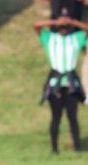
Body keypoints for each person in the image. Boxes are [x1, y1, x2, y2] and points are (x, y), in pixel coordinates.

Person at [36, 15, 88, 154]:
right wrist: (55, 21)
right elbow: (36, 25)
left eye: (66, 26)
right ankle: (54, 148)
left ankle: (77, 147)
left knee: (73, 117)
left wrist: (73, 21)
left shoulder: (75, 38)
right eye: (61, 26)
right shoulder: (50, 38)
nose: (63, 28)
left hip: (71, 83)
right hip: (55, 83)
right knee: (56, 117)